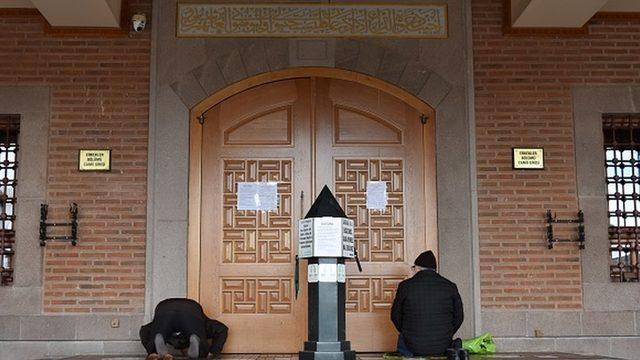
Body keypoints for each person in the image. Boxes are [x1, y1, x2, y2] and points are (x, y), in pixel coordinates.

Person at [391, 250, 466, 359]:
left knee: (402, 340)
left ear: (418, 268)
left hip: (411, 346)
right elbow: (459, 317)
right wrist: (446, 333)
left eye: (413, 268)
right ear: (434, 270)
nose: (413, 270)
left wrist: (408, 331)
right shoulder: (450, 286)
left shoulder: (405, 286)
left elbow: (395, 316)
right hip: (442, 345)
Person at [140, 298, 228, 360]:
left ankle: (155, 353)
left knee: (156, 335)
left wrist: (150, 350)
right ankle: (199, 353)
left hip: (165, 309)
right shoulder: (205, 325)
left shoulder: (206, 325)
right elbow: (222, 329)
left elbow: (143, 330)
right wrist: (212, 352)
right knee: (202, 346)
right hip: (190, 310)